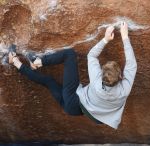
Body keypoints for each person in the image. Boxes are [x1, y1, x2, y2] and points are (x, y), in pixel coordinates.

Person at [8, 22, 137, 129]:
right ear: (121, 77)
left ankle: (37, 62)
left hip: (73, 101)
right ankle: (15, 62)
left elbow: (92, 55)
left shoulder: (96, 79)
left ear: (101, 73)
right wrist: (125, 36)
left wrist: (106, 39)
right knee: (48, 81)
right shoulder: (125, 89)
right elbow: (131, 64)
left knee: (69, 54)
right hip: (78, 111)